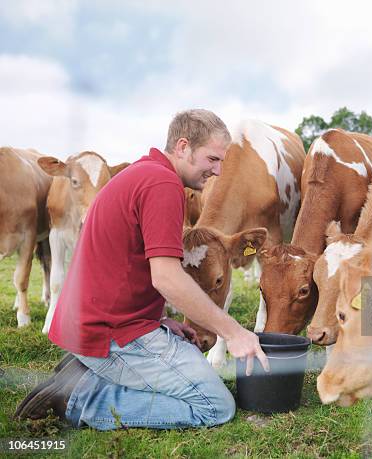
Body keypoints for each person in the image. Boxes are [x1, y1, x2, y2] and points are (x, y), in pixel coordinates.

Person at [15, 109, 269, 430]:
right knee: (215, 406)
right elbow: (166, 276)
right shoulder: (162, 184)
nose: (217, 171)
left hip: (105, 324)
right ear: (182, 147)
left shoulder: (144, 173)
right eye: (212, 159)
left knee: (192, 363)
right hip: (109, 334)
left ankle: (87, 373)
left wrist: (160, 321)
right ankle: (80, 397)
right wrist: (233, 332)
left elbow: (123, 265)